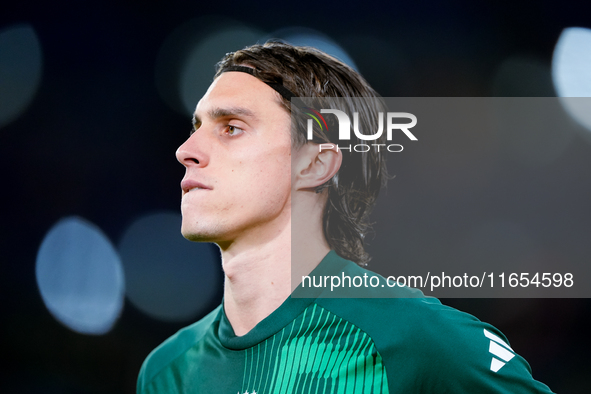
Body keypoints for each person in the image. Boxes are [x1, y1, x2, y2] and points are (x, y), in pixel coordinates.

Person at [136, 41, 554, 393]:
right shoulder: (166, 372)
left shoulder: (413, 337)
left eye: (231, 127)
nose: (186, 150)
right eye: (197, 126)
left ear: (315, 164)